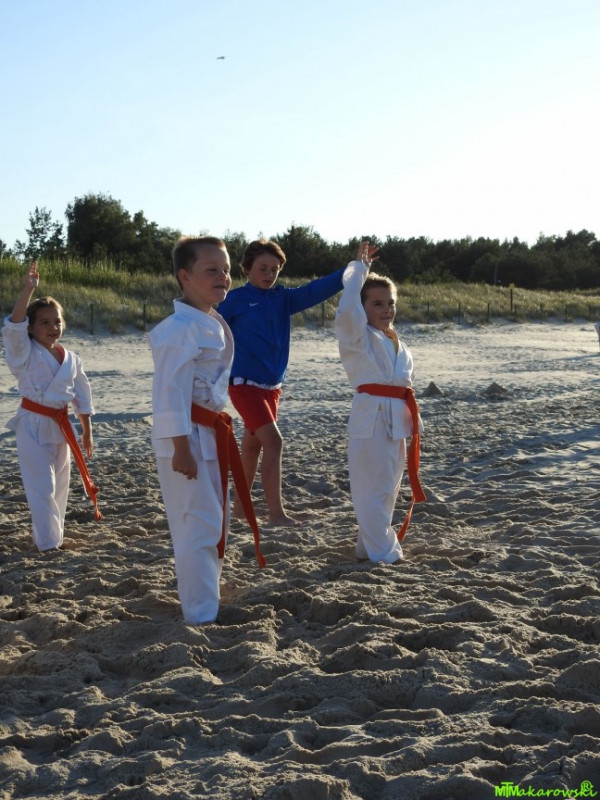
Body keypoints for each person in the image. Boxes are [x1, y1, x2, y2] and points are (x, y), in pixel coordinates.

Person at [149, 236, 264, 625]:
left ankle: (205, 599)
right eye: (211, 270)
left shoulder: (209, 322)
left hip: (210, 432)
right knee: (196, 523)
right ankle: (199, 613)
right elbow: (169, 393)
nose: (223, 277)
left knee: (214, 519)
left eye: (227, 270)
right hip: (185, 436)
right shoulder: (178, 329)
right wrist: (181, 447)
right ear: (185, 276)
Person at [218, 239, 345, 527]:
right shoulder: (235, 300)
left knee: (253, 448)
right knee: (274, 442)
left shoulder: (283, 298)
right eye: (263, 268)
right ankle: (276, 515)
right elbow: (209, 331)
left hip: (272, 389)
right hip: (244, 386)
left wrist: (351, 269)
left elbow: (316, 290)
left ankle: (239, 511)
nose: (269, 274)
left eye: (274, 269)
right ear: (247, 269)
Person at [335, 242, 426, 564]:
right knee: (372, 488)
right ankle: (385, 554)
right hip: (371, 417)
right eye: (377, 304)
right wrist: (360, 271)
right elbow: (347, 310)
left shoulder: (395, 341)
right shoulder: (357, 337)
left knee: (387, 488)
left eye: (390, 303)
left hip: (396, 419)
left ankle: (367, 547)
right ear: (362, 309)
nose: (387, 309)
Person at [2, 261, 98, 552]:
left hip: (62, 428)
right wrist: (28, 290)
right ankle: (47, 544)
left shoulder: (72, 359)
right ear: (31, 328)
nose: (53, 328)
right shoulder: (24, 353)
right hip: (32, 425)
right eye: (44, 323)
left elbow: (82, 394)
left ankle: (53, 539)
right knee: (41, 487)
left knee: (59, 488)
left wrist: (87, 430)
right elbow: (14, 326)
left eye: (57, 322)